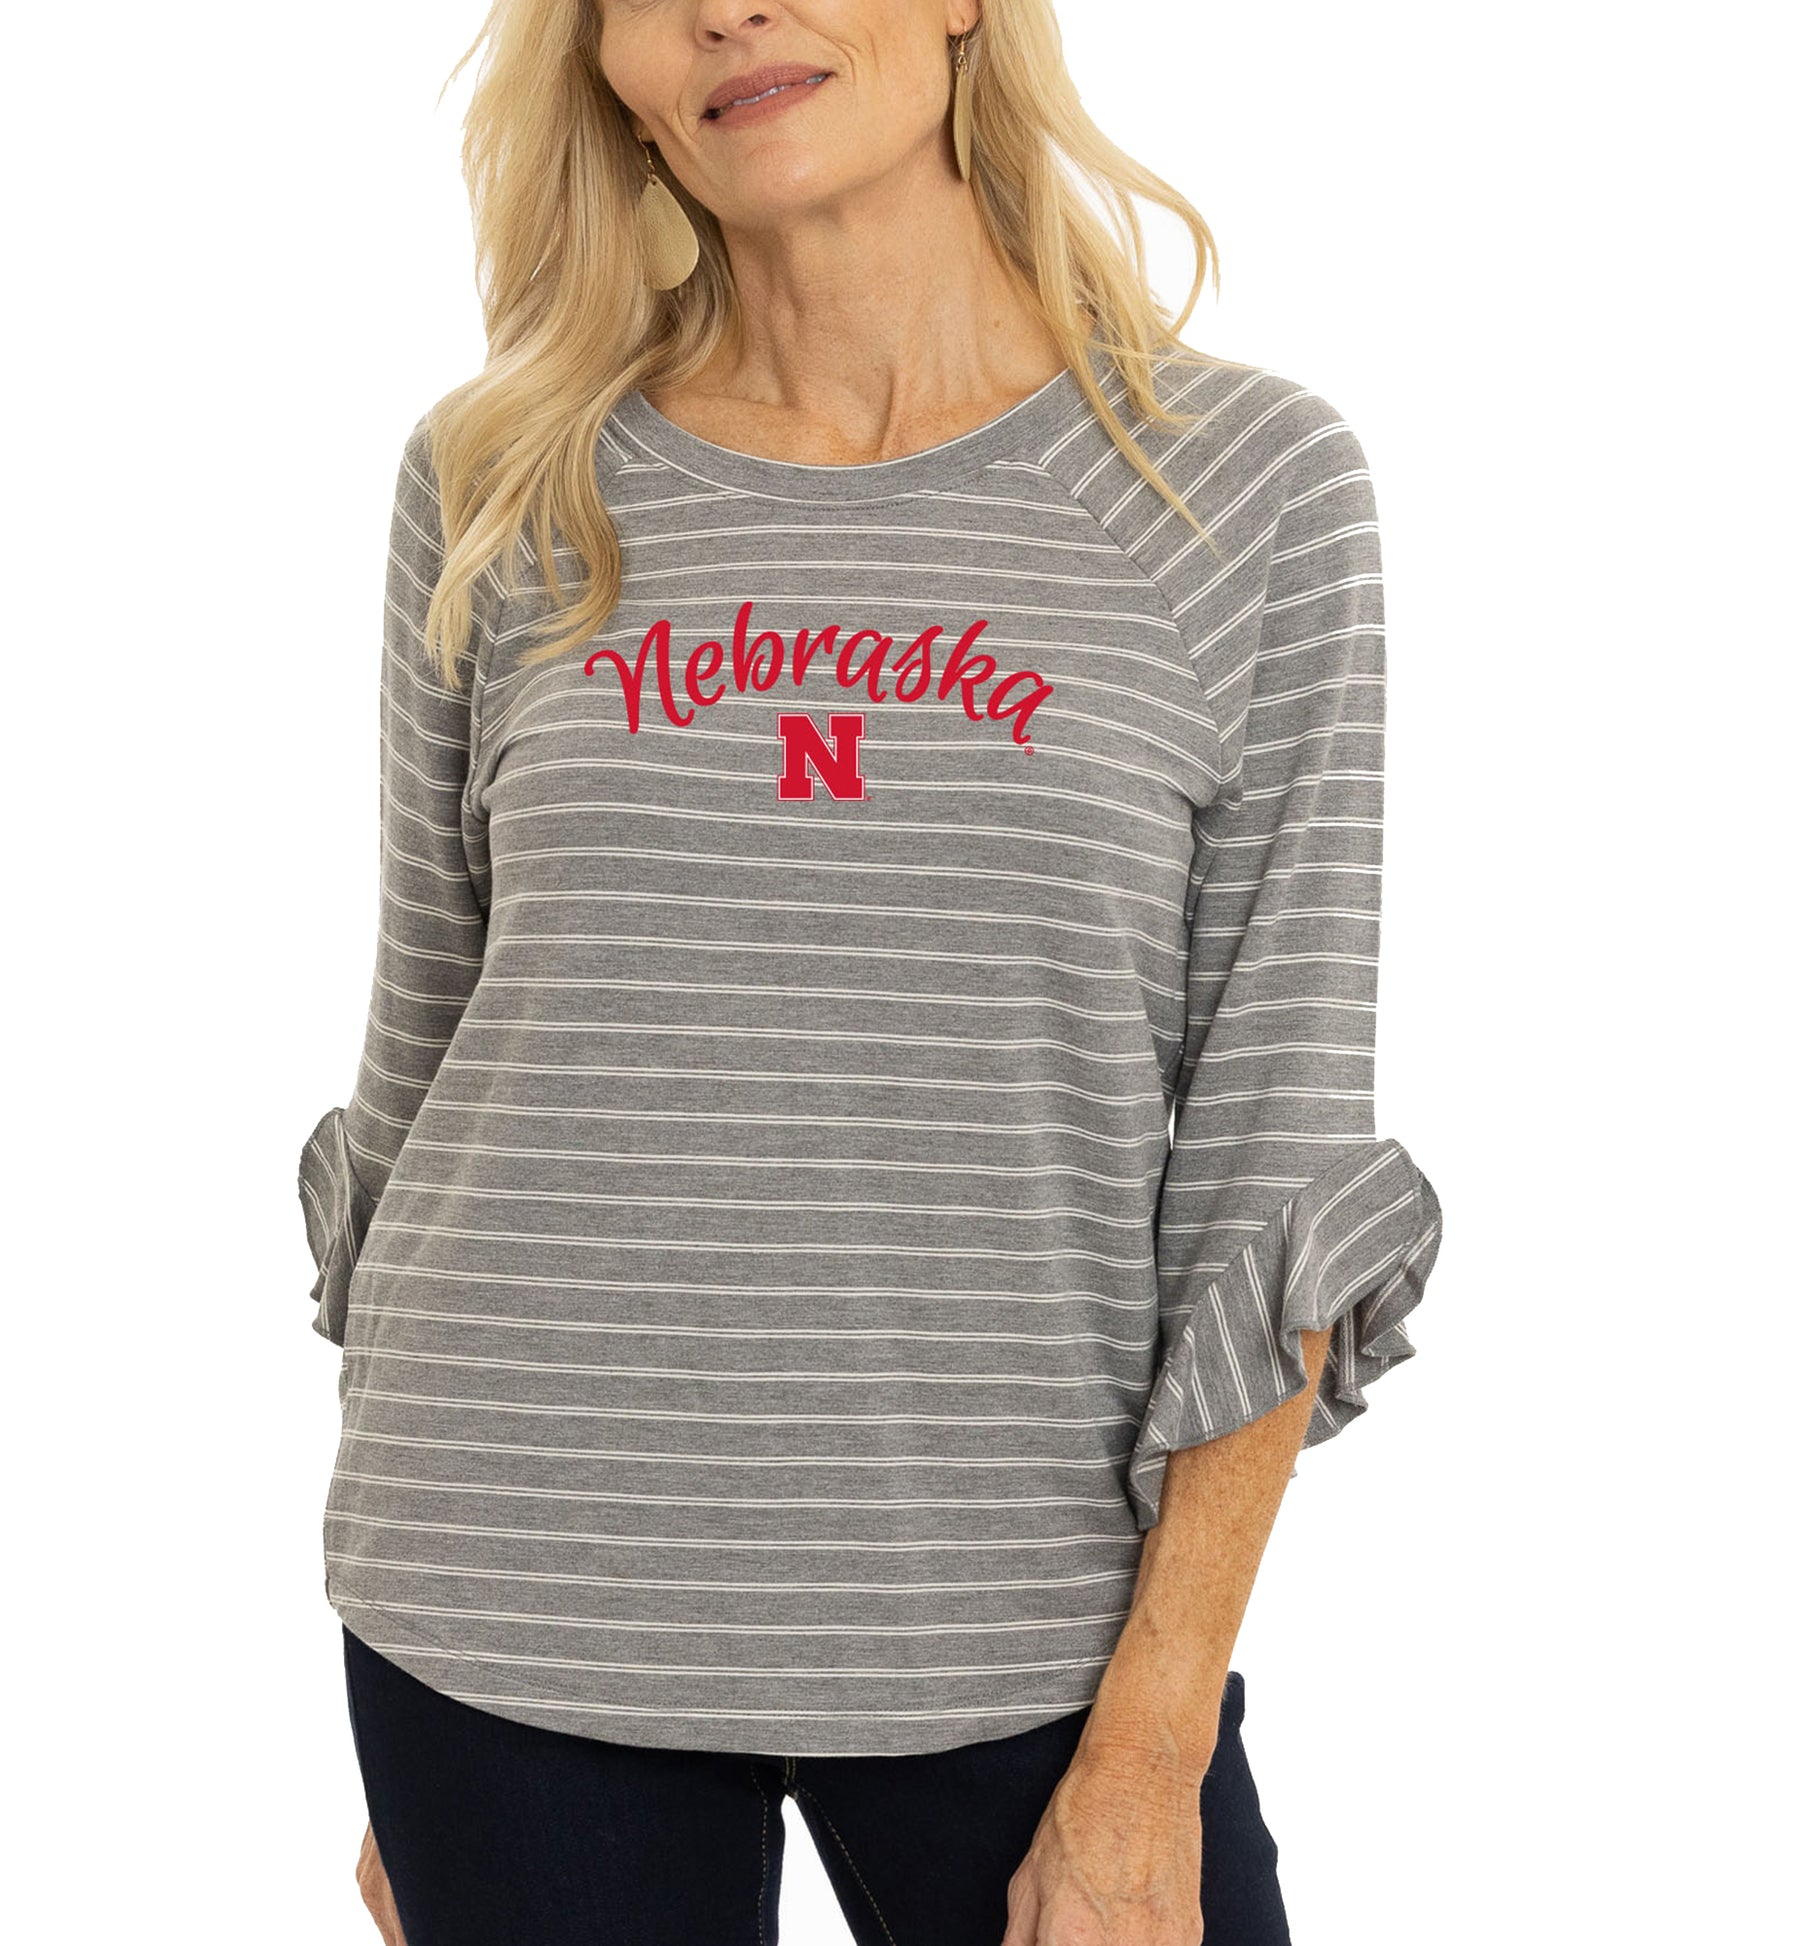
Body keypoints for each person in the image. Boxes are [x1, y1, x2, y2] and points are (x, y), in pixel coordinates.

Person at [294, 2, 1444, 1940]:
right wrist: (432, 1711)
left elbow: (1275, 1151)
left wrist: (1154, 1738)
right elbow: (421, 1054)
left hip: (1019, 1613)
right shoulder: (504, 473)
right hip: (501, 1596)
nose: (727, 10)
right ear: (608, 69)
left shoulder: (1241, 487)